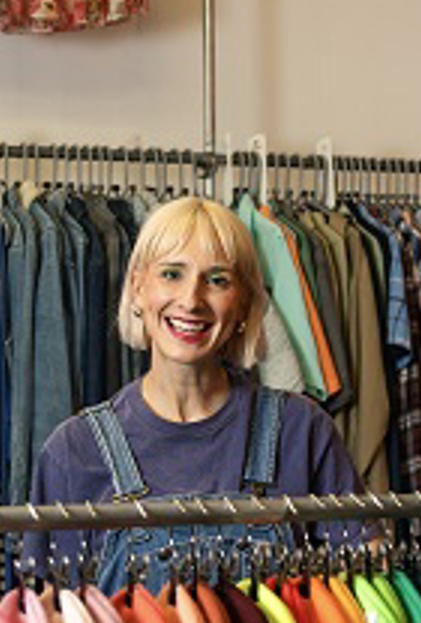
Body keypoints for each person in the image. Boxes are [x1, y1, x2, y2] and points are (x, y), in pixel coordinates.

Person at [23, 197, 361, 592]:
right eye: (171, 274)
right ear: (138, 287)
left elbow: (361, 594)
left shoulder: (301, 430)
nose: (191, 300)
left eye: (217, 280)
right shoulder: (74, 451)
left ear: (245, 305)